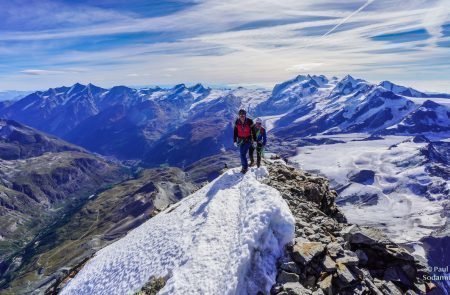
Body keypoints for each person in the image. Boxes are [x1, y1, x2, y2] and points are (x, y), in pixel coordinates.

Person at [233, 109, 254, 174]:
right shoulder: (237, 122)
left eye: (243, 115)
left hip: (248, 140)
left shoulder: (250, 121)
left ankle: (245, 167)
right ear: (239, 115)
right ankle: (244, 166)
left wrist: (255, 140)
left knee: (242, 154)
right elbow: (235, 131)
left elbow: (253, 131)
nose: (242, 116)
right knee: (242, 154)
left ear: (245, 115)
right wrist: (235, 141)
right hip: (240, 140)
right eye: (241, 115)